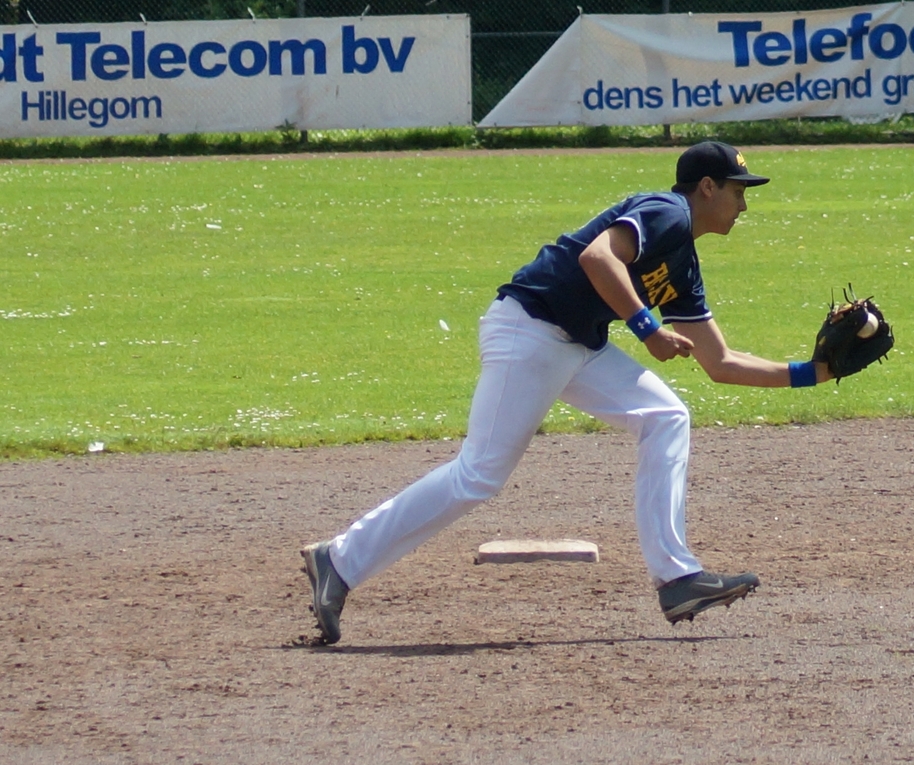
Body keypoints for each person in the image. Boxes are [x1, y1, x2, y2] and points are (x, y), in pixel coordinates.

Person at [301, 140, 835, 644]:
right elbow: (598, 259)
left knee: (665, 415)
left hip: (576, 344)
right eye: (738, 191)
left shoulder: (683, 263)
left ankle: (677, 579)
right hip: (530, 330)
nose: (744, 205)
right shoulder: (667, 211)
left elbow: (720, 362)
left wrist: (816, 372)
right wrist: (648, 330)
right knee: (478, 474)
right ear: (707, 188)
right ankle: (340, 561)